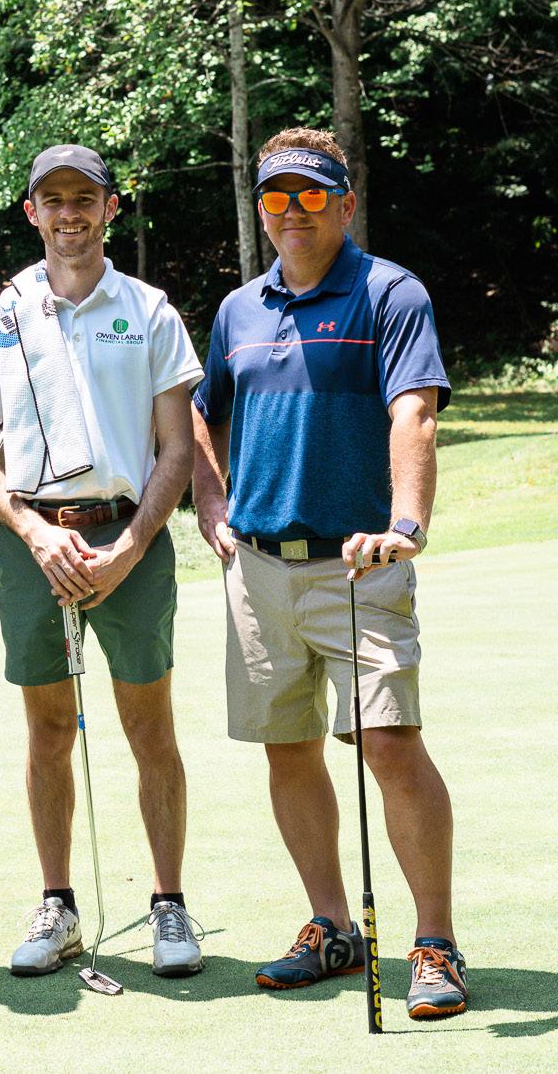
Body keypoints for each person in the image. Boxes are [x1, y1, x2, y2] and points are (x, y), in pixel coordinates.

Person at [191, 126, 467, 1021]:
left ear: (343, 203)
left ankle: (433, 942)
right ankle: (331, 926)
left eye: (310, 195)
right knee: (287, 746)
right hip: (257, 568)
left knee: (387, 742)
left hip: (359, 564)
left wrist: (405, 523)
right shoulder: (238, 311)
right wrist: (210, 503)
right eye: (275, 197)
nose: (292, 212)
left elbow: (414, 411)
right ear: (260, 208)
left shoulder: (389, 292)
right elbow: (202, 413)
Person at [0, 144, 205, 979]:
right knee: (49, 729)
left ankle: (167, 904)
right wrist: (32, 532)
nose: (69, 214)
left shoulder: (149, 311)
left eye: (84, 199)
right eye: (53, 200)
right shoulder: (1, 318)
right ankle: (57, 905)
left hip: (130, 537)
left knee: (149, 727)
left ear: (109, 208)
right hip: (34, 545)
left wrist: (129, 547)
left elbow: (176, 449)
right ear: (31, 212)